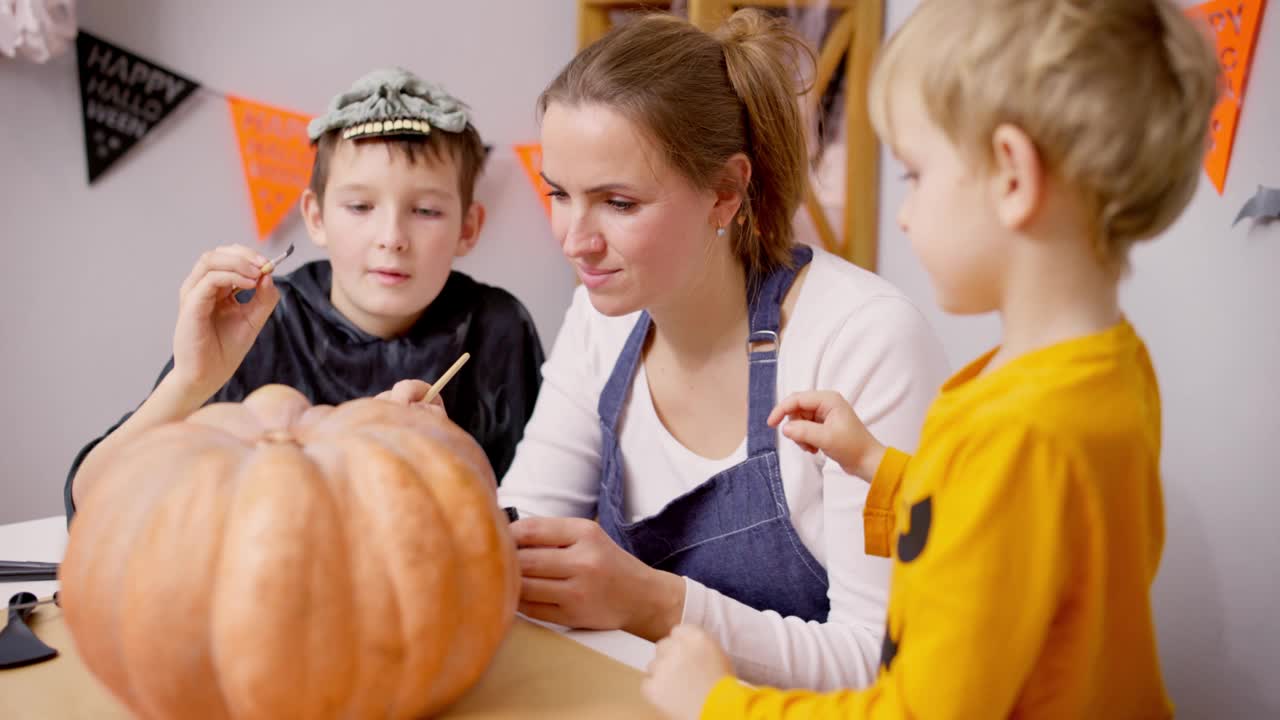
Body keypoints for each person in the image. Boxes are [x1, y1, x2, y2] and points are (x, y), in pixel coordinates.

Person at [640, 0, 1221, 717]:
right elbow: (1015, 540)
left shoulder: (1017, 434)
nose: (906, 213)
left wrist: (718, 701)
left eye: (915, 174)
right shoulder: (1107, 367)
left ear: (1012, 175)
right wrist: (879, 469)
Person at [495, 9, 950, 692]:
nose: (574, 240)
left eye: (617, 202)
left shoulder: (864, 340)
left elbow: (878, 663)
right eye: (560, 194)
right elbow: (525, 532)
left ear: (725, 192)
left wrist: (655, 602)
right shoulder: (604, 312)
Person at [65, 67, 544, 519]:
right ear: (315, 217)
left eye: (426, 211)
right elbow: (92, 506)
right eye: (360, 206)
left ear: (469, 227)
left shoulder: (497, 329)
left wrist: (439, 457)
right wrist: (190, 381)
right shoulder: (256, 323)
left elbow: (534, 507)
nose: (392, 236)